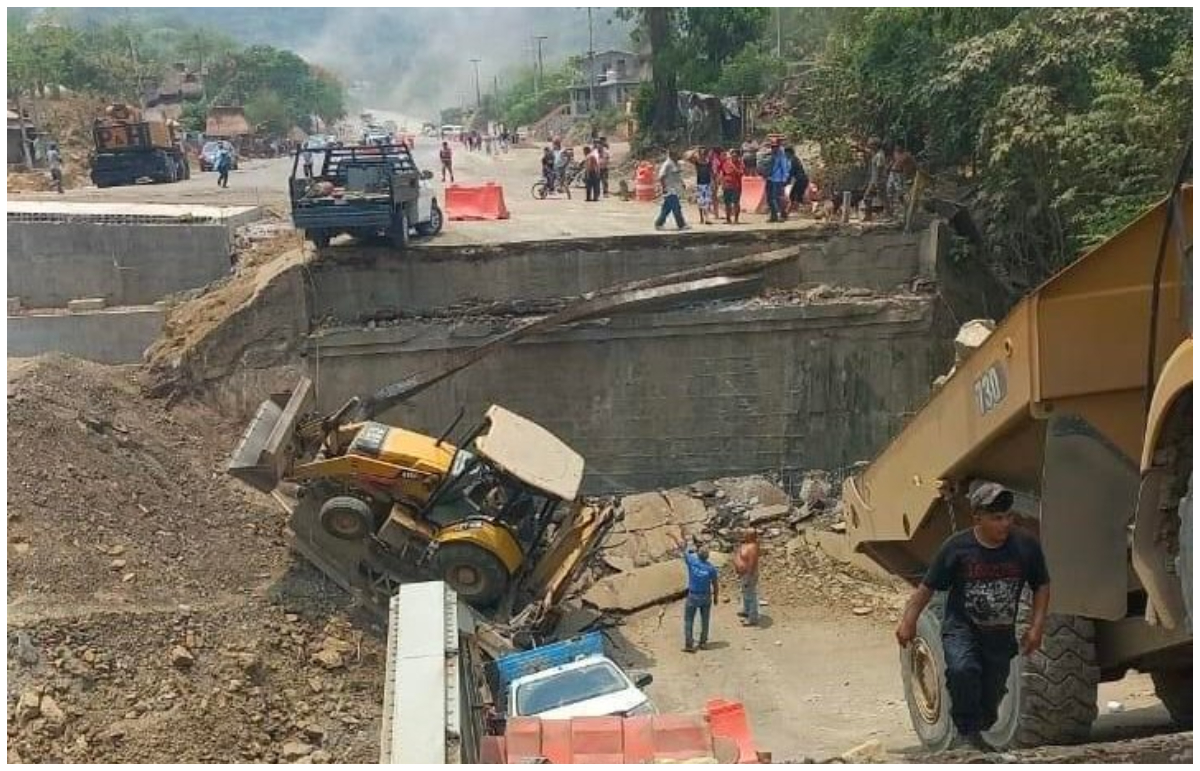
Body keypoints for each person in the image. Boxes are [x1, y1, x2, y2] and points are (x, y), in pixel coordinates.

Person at [895, 483, 1050, 752]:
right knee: (962, 669)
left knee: (992, 695)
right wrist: (909, 620)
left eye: (1007, 517)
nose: (1004, 524)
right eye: (996, 518)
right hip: (962, 628)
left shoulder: (1025, 546)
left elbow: (1042, 585)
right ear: (977, 518)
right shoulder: (957, 548)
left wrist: (1037, 627)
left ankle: (977, 729)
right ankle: (966, 734)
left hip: (999, 633)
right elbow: (927, 588)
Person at [669, 532, 720, 653]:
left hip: (693, 595)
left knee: (689, 620)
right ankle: (703, 642)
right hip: (706, 596)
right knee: (705, 620)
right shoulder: (711, 568)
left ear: (698, 554)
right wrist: (716, 597)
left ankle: (689, 644)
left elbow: (682, 549)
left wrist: (674, 537)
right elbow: (715, 584)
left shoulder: (692, 562)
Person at [654, 148, 688, 231]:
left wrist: (682, 183)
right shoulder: (667, 164)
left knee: (667, 208)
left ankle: (658, 223)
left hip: (675, 189)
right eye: (676, 154)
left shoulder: (676, 164)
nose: (678, 156)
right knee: (676, 207)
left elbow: (677, 175)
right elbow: (661, 177)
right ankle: (681, 224)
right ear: (672, 155)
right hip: (669, 189)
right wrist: (664, 188)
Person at [733, 528, 761, 626]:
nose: (744, 534)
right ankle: (746, 610)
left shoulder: (753, 547)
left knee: (751, 595)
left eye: (746, 534)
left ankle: (753, 617)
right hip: (742, 574)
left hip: (749, 574)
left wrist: (749, 576)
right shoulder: (745, 544)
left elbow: (752, 563)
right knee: (745, 592)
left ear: (751, 536)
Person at [863, 138, 887, 222]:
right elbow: (868, 151)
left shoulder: (879, 156)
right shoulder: (876, 153)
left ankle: (869, 216)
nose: (869, 147)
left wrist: (875, 183)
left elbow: (879, 169)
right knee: (882, 198)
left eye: (871, 145)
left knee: (868, 197)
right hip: (875, 180)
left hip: (878, 180)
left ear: (875, 146)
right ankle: (868, 216)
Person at [767, 140, 790, 222]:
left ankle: (781, 214)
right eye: (772, 146)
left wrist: (784, 179)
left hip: (778, 179)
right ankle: (773, 215)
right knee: (769, 198)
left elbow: (785, 167)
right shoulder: (770, 155)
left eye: (775, 146)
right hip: (770, 179)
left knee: (778, 198)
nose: (774, 148)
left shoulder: (781, 156)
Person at [689, 147, 713, 225]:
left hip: (707, 183)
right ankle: (701, 218)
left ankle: (706, 218)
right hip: (700, 184)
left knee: (707, 201)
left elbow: (711, 172)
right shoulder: (697, 163)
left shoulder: (708, 162)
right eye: (701, 153)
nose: (703, 155)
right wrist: (695, 151)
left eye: (704, 153)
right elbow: (689, 158)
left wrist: (713, 182)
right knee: (700, 202)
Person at [720, 148, 744, 224]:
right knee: (727, 203)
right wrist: (722, 183)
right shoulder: (726, 163)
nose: (734, 157)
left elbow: (741, 173)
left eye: (735, 155)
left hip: (736, 186)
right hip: (727, 185)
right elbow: (722, 173)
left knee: (736, 202)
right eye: (732, 155)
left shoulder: (740, 164)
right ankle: (728, 219)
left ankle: (736, 219)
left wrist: (734, 168)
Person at [785, 147, 809, 216]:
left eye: (785, 154)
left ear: (788, 153)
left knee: (794, 196)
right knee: (795, 197)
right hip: (801, 179)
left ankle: (787, 212)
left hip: (800, 180)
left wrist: (787, 181)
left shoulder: (793, 160)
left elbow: (791, 172)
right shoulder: (795, 159)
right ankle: (787, 212)